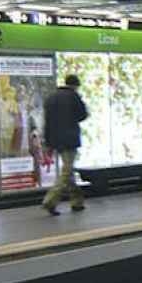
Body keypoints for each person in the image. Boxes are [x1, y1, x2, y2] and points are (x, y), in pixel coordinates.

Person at [41, 74, 89, 215]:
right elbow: (83, 115)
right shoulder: (73, 96)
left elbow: (47, 122)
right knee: (67, 172)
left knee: (68, 171)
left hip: (55, 140)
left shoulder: (51, 97)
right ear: (75, 85)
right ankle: (50, 201)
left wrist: (48, 143)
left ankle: (77, 202)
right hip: (69, 139)